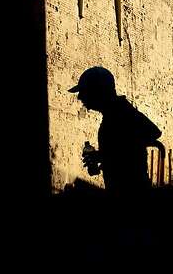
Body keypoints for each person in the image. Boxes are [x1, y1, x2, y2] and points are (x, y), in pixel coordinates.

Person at [68, 66, 161, 197]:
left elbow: (153, 132)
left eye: (84, 92)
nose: (80, 97)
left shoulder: (122, 111)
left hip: (132, 191)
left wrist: (104, 156)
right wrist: (104, 160)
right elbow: (121, 153)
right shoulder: (112, 113)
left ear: (97, 92)